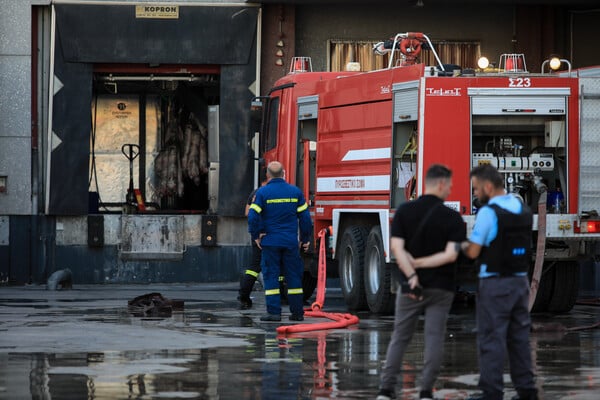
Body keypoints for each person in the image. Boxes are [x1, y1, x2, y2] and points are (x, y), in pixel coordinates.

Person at [377, 164, 466, 400]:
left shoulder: (405, 211)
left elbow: (397, 249)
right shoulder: (454, 218)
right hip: (442, 287)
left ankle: (386, 391)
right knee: (434, 337)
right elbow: (451, 255)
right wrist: (422, 264)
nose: (451, 189)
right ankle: (426, 391)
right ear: (440, 184)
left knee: (400, 337)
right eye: (449, 184)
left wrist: (412, 273)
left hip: (410, 288)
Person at [461, 164, 538, 400]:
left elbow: (474, 252)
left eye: (475, 189)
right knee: (519, 338)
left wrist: (458, 245)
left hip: (495, 284)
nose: (474, 194)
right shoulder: (521, 207)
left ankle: (492, 393)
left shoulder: (488, 213)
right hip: (520, 283)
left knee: (491, 339)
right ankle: (526, 391)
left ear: (487, 186)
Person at [247, 161, 313, 322]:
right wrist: (305, 239)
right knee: (294, 278)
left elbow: (253, 216)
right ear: (284, 173)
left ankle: (274, 313)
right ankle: (297, 313)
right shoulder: (295, 192)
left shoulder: (262, 193)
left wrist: (257, 235)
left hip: (270, 243)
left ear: (268, 175)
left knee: (271, 277)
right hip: (290, 242)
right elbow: (305, 219)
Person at [238, 182, 288, 310]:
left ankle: (243, 296)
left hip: (258, 234)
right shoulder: (281, 193)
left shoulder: (255, 193)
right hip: (274, 233)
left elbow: (247, 213)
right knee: (278, 264)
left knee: (254, 266)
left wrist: (257, 233)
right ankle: (281, 296)